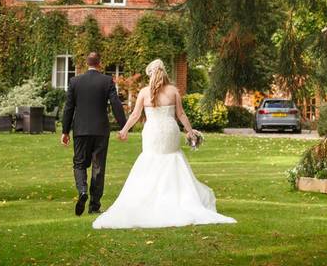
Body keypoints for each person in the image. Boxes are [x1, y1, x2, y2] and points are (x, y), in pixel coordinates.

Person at [91, 58, 236, 229]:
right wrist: (189, 131)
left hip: (152, 132)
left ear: (150, 74)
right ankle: (174, 200)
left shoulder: (145, 92)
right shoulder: (173, 91)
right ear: (164, 72)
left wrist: (124, 130)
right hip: (169, 131)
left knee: (150, 160)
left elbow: (135, 115)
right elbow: (181, 115)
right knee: (172, 160)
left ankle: (149, 200)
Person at [61, 52, 127, 216]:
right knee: (98, 166)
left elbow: (69, 107)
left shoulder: (75, 81)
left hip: (81, 130)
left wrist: (65, 131)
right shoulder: (106, 81)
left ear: (86, 63)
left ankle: (82, 190)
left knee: (79, 163)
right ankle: (94, 206)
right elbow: (115, 103)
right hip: (100, 130)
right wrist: (124, 126)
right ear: (100, 63)